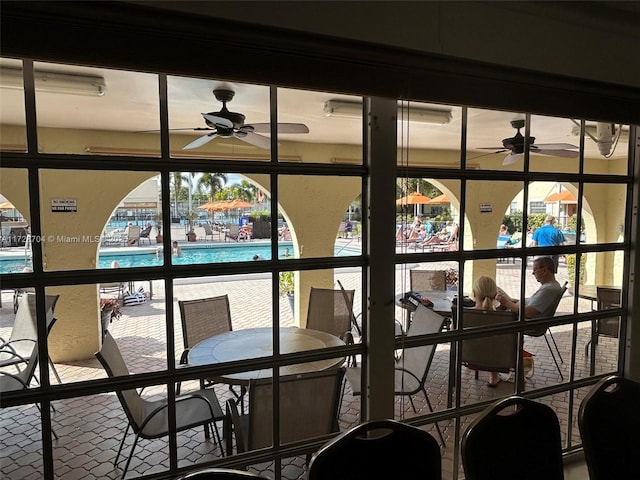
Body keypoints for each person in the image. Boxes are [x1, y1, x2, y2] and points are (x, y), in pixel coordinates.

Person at [496, 256, 563, 319]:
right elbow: (533, 304)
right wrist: (514, 301)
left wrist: (505, 302)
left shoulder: (549, 290)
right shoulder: (550, 286)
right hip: (515, 313)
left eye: (535, 269)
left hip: (515, 319)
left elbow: (528, 312)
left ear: (545, 270)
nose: (533, 273)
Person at [471, 275, 501, 386]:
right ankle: (494, 376)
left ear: (474, 294)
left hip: (469, 357)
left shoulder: (464, 315)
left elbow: (453, 333)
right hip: (497, 360)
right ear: (495, 295)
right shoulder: (504, 318)